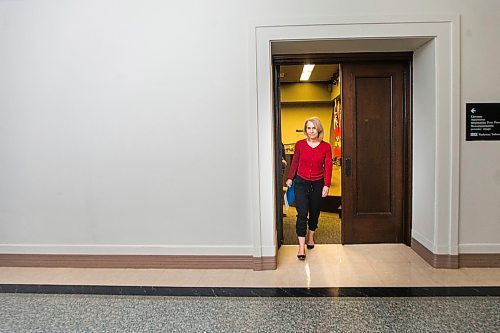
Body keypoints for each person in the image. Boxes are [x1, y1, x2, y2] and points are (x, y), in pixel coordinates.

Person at [286, 117, 332, 260]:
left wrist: (327, 184)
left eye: (314, 128)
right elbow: (295, 162)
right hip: (301, 182)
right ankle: (301, 248)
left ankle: (311, 237)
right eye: (308, 128)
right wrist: (289, 177)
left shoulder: (326, 147)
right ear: (305, 130)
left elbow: (328, 166)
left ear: (318, 129)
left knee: (314, 212)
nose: (311, 131)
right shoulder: (300, 145)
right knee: (301, 213)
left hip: (318, 183)